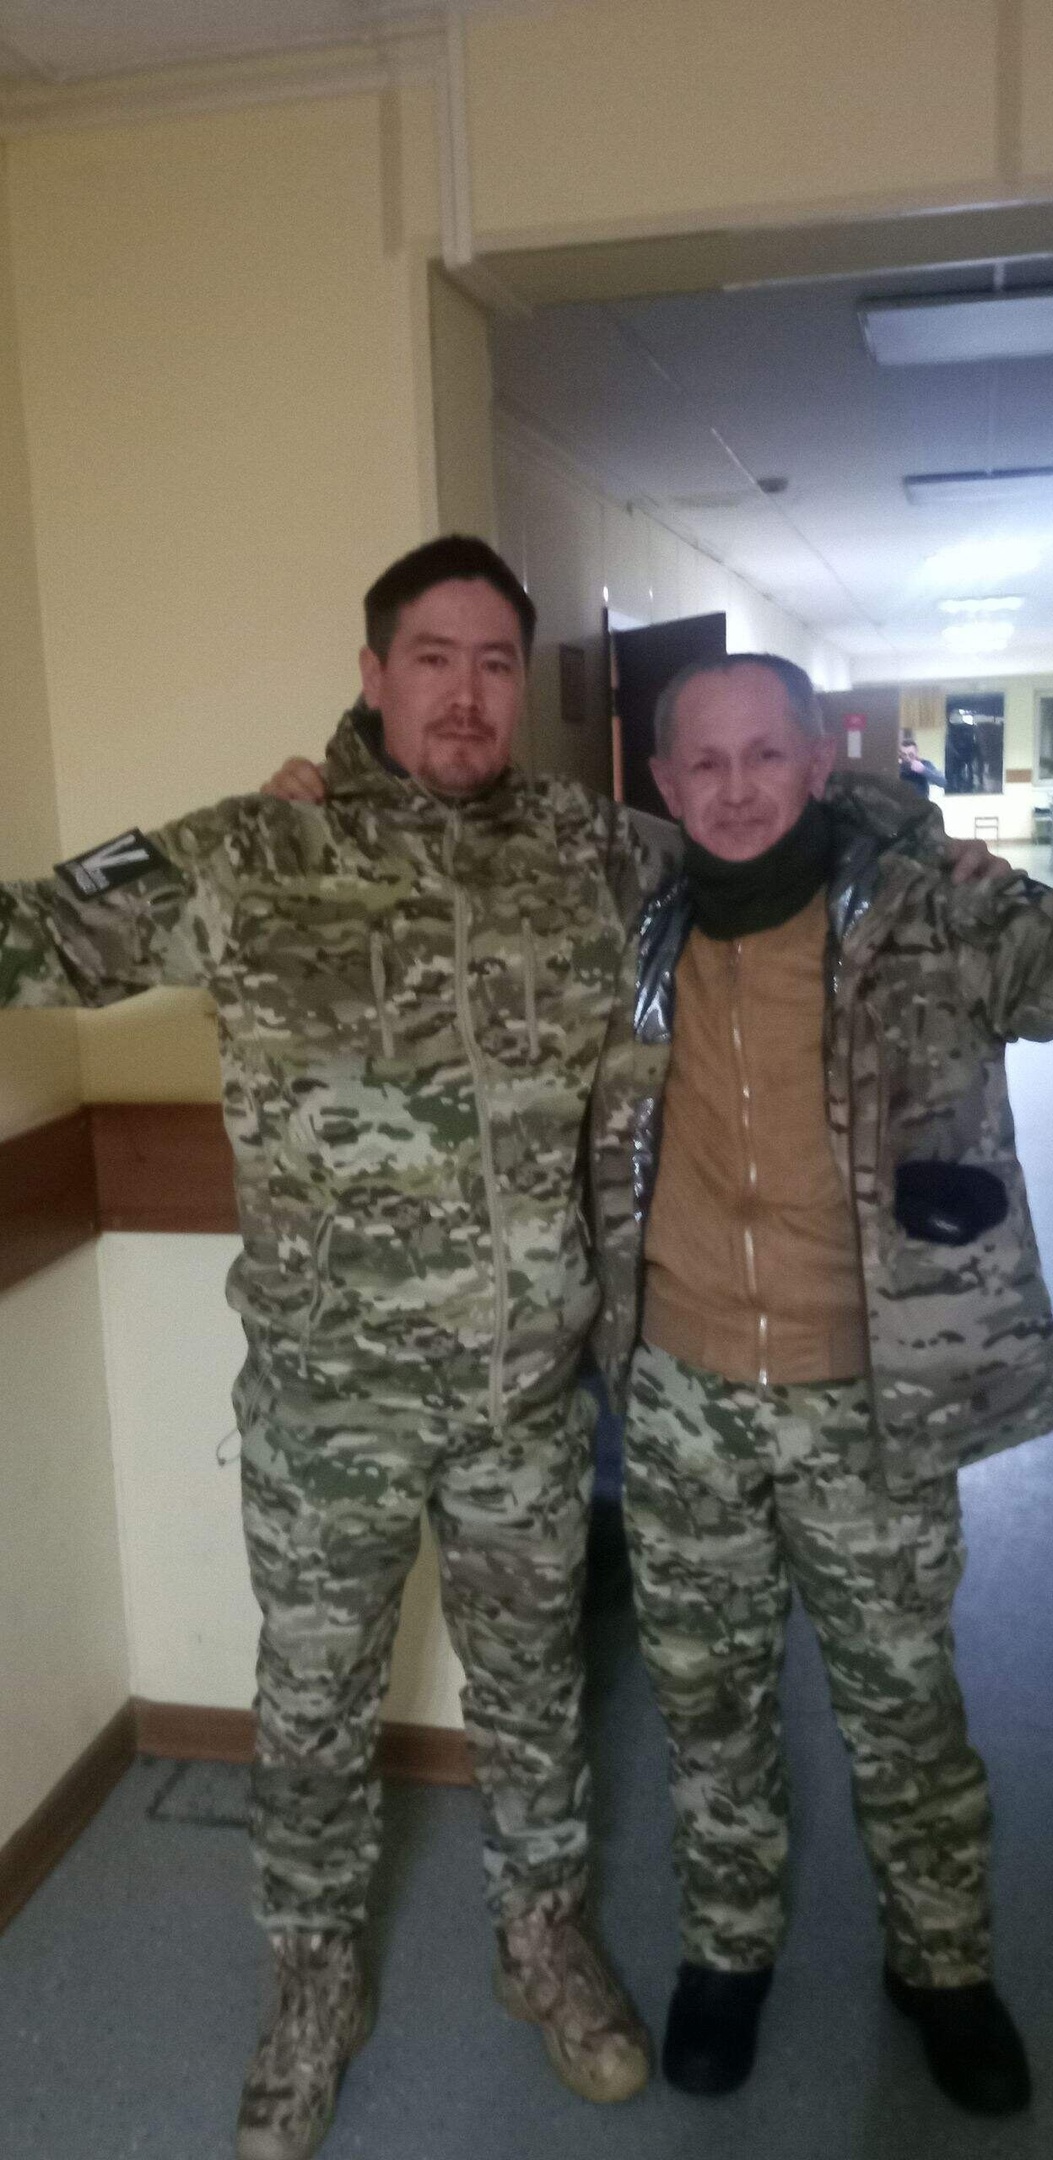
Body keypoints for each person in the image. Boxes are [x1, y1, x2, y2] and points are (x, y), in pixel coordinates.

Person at [0, 536, 659, 2160]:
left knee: (536, 1689)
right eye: (433, 658)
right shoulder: (255, 853)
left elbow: (764, 836)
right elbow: (28, 939)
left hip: (525, 1400)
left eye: (496, 663)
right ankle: (312, 1986)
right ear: (372, 676)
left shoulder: (591, 852)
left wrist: (906, 835)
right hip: (325, 1412)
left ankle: (542, 1939)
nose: (467, 693)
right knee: (309, 1708)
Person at [590, 652, 1053, 2120]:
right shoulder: (626, 922)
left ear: (817, 761)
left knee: (903, 1706)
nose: (737, 788)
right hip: (681, 1398)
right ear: (664, 783)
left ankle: (943, 1966)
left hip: (868, 1396)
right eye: (705, 762)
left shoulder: (931, 912)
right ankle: (728, 1952)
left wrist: (995, 865)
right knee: (708, 1703)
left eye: (766, 755)